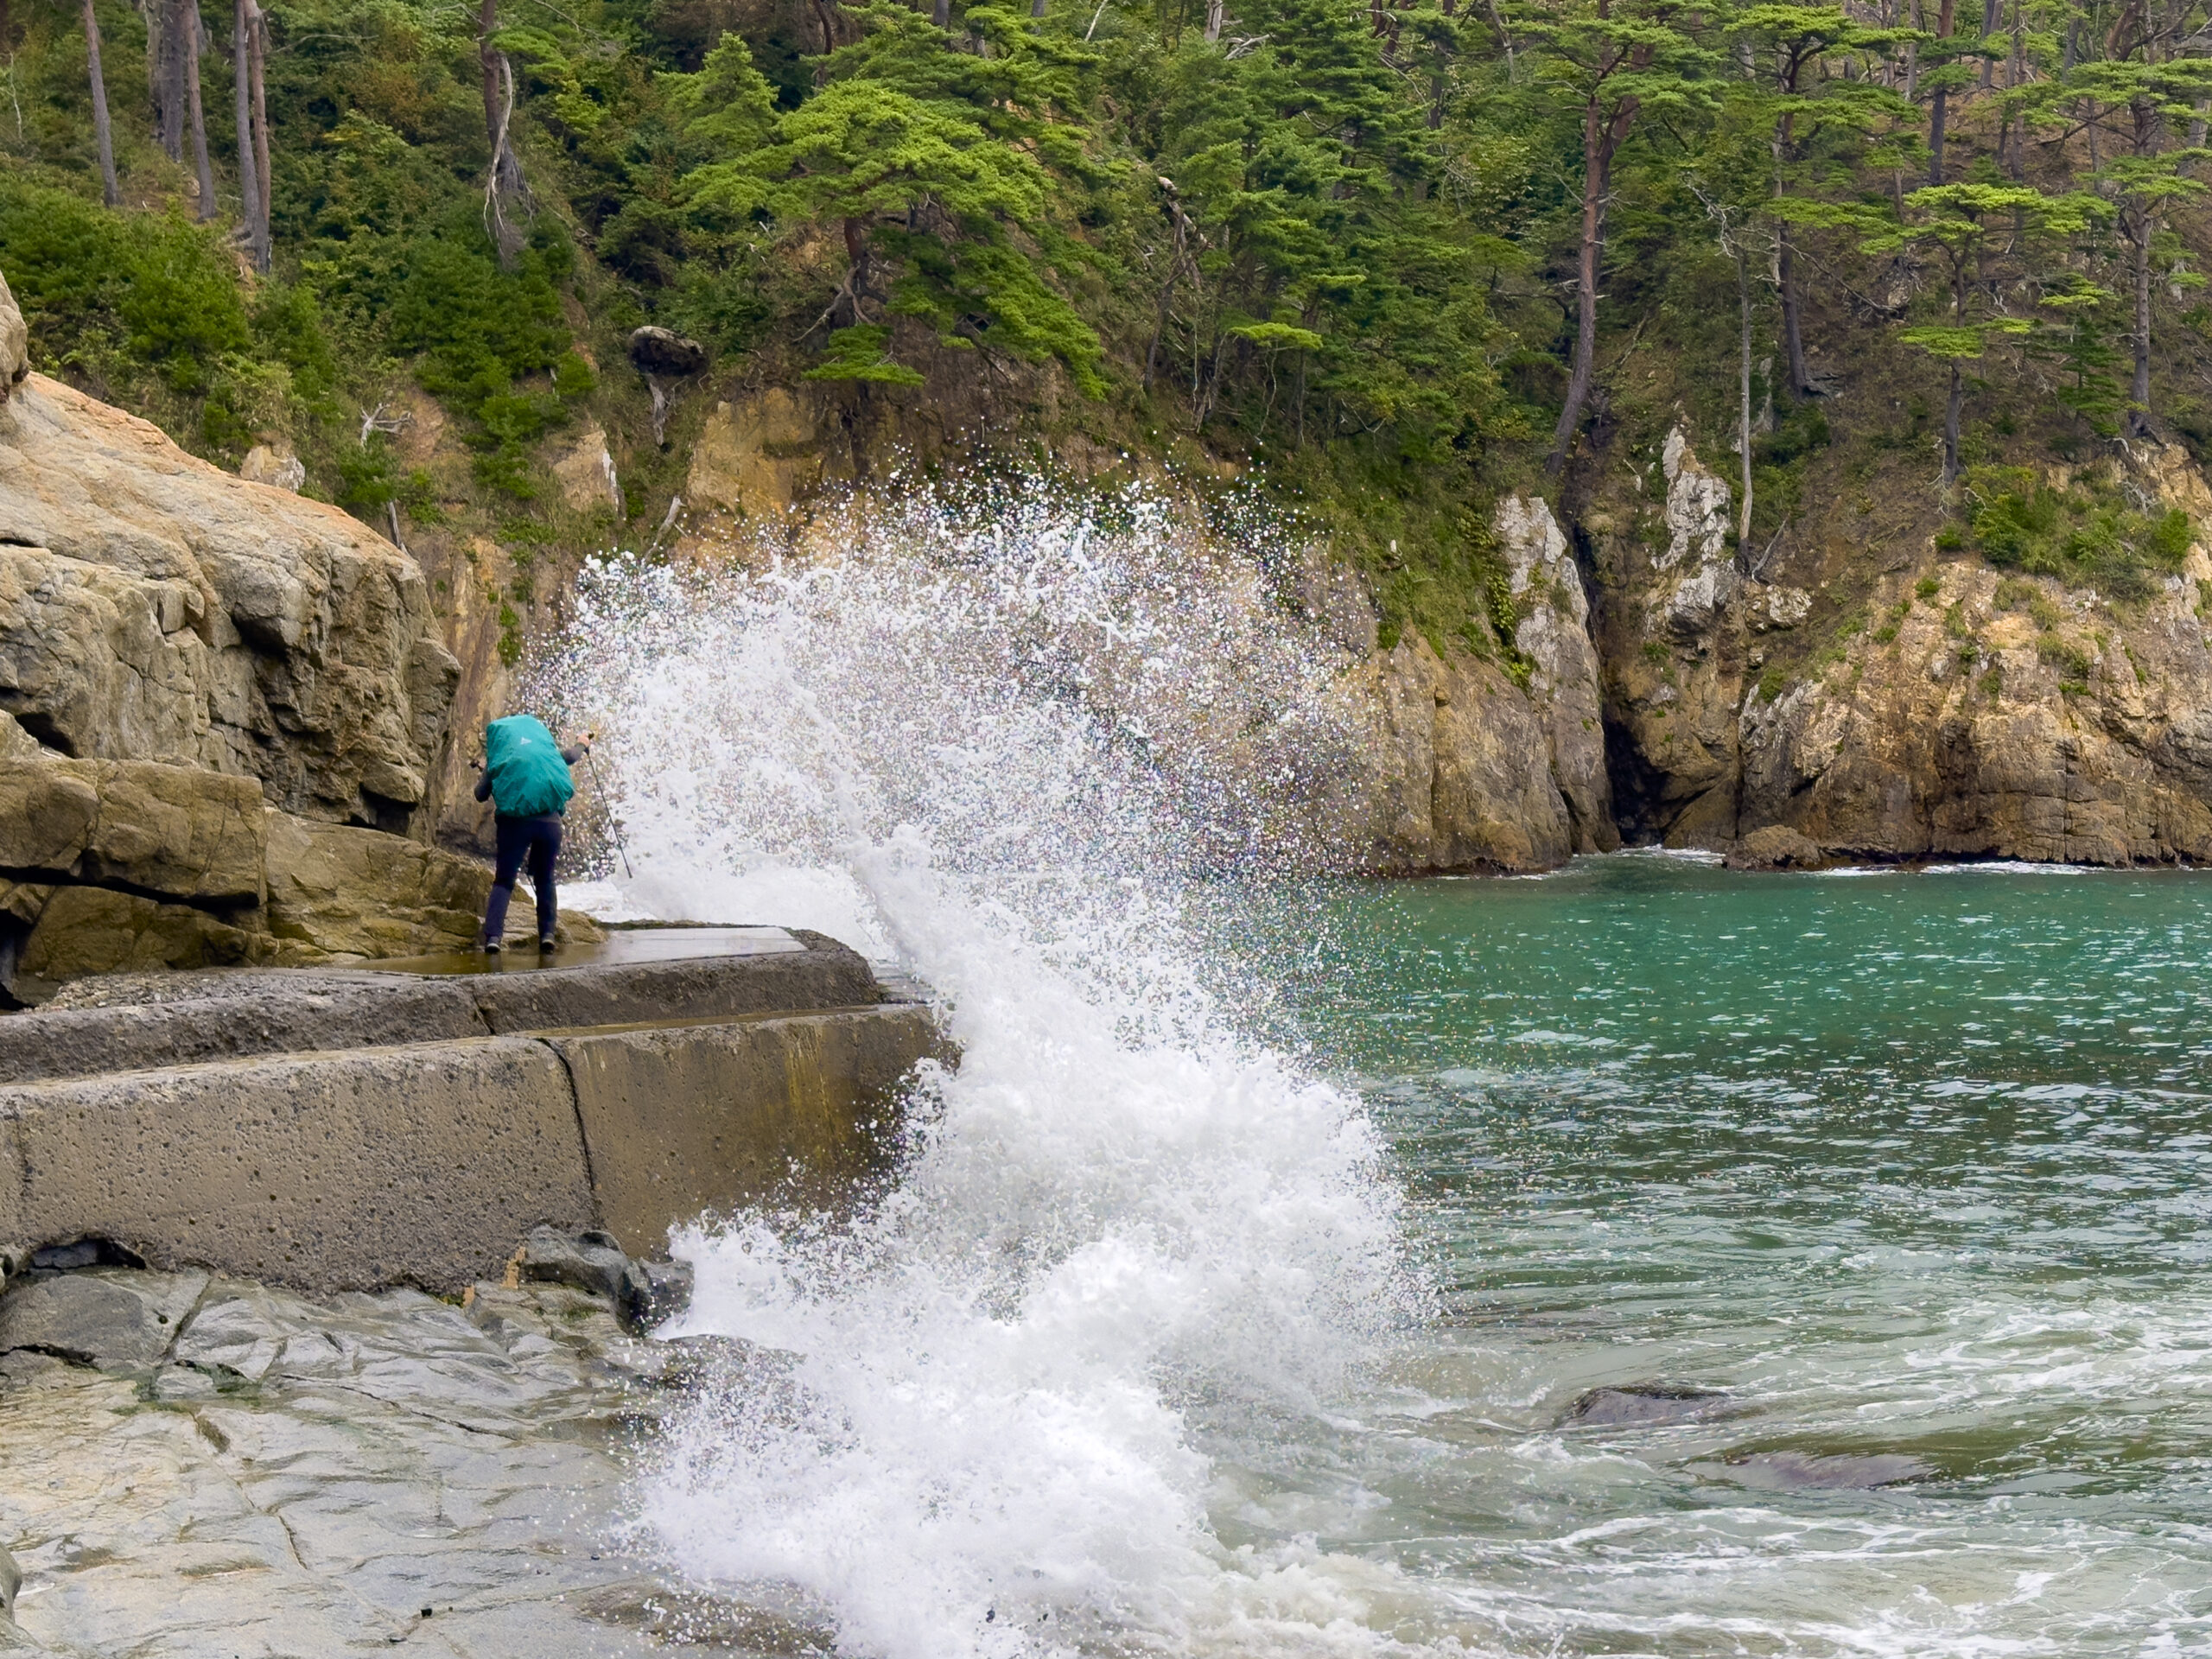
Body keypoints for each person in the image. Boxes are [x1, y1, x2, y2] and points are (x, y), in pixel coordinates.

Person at [474, 714, 591, 954]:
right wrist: (582, 743)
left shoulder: (500, 757)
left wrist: (487, 774)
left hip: (515, 826)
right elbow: (571, 756)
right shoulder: (545, 755)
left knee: (504, 881)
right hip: (550, 825)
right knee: (545, 878)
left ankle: (494, 938)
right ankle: (547, 936)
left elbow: (480, 794)